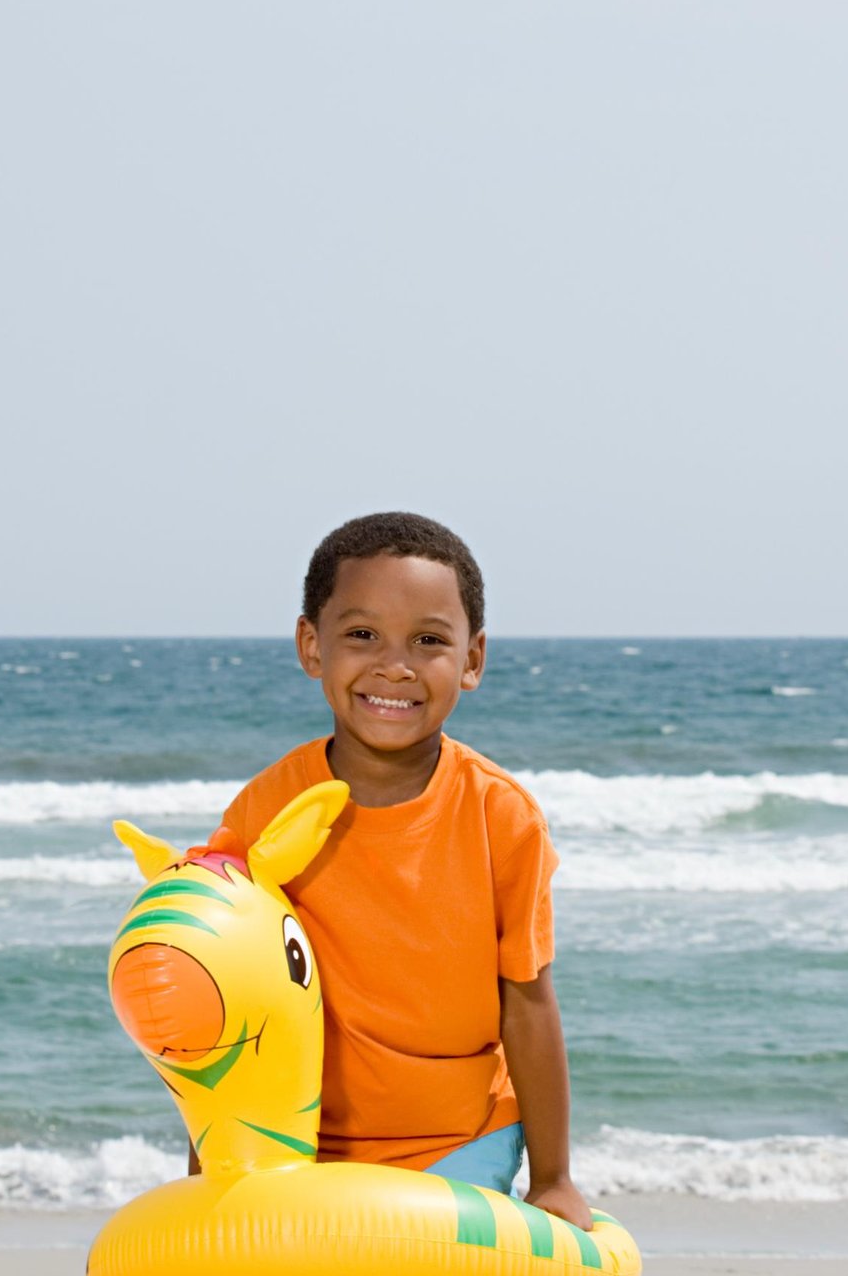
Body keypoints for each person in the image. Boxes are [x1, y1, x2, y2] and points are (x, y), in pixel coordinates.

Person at [206, 510, 593, 1230]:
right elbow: (222, 998)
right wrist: (207, 1166)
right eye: (362, 635)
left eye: (429, 640)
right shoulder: (264, 809)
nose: (395, 665)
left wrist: (556, 1178)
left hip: (460, 1140)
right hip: (301, 1144)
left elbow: (529, 1002)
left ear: (472, 659)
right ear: (310, 645)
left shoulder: (500, 815)